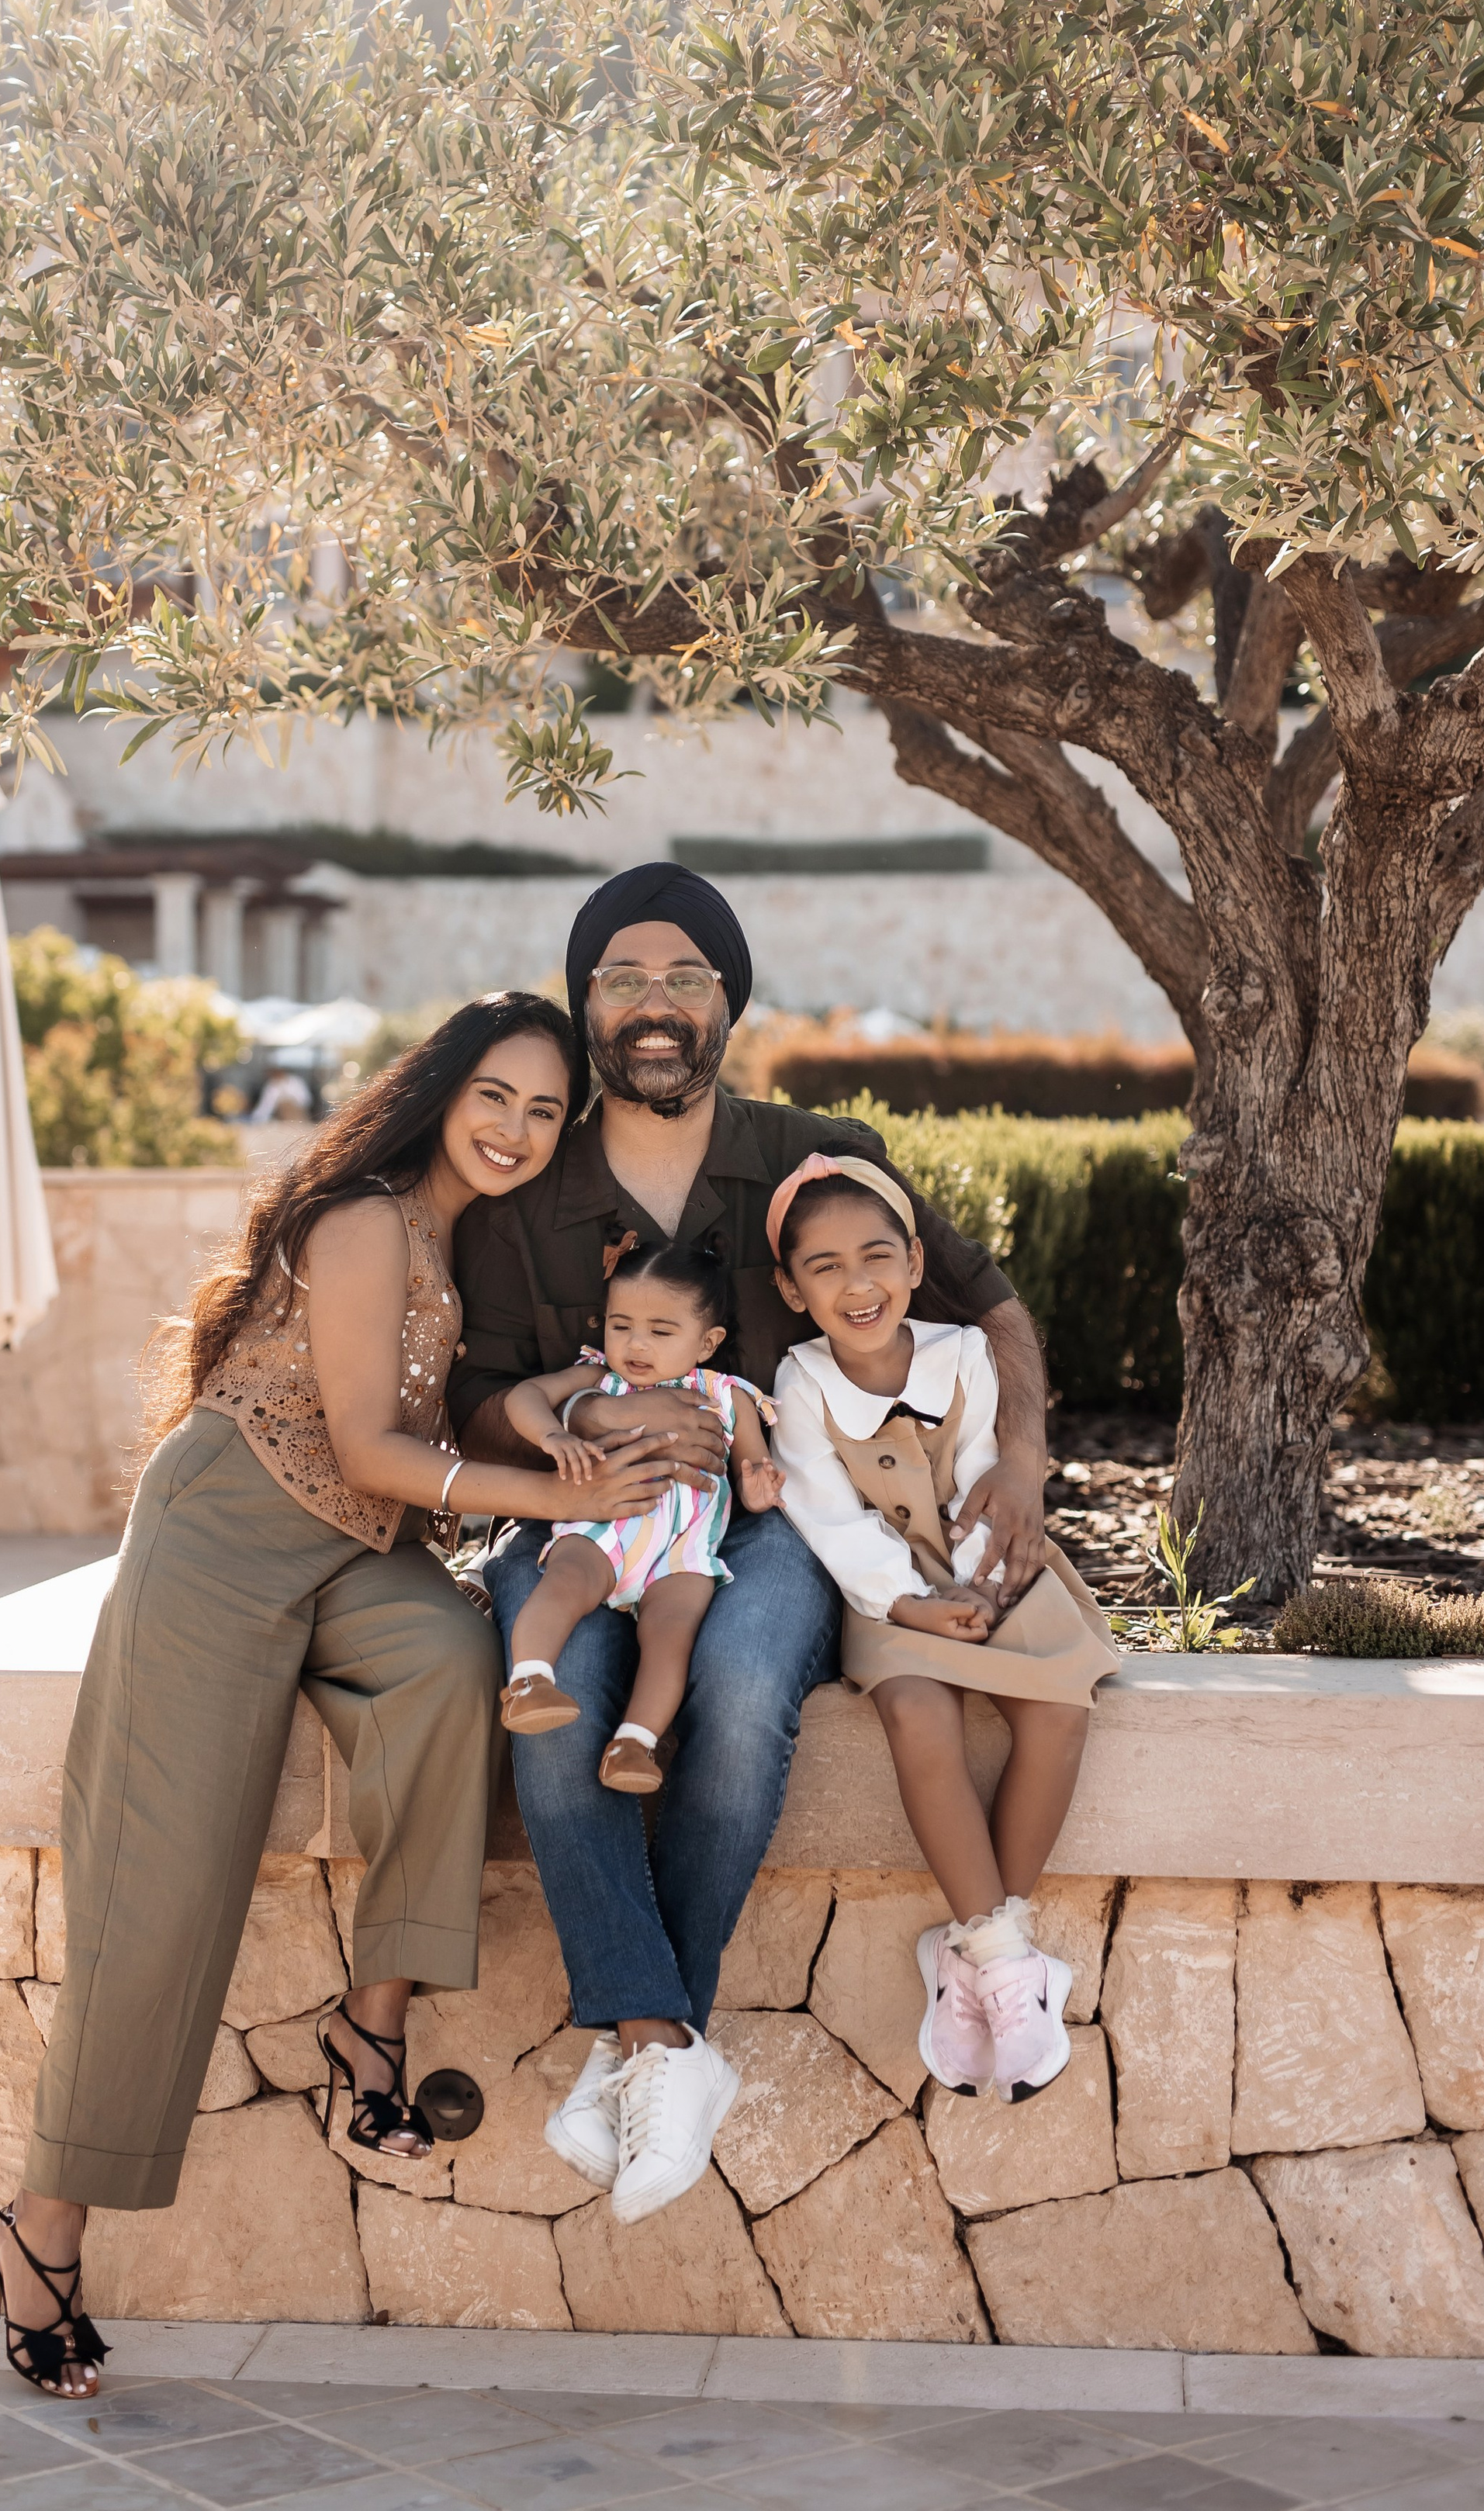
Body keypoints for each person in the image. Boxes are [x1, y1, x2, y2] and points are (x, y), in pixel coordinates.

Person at [0, 993, 669, 2397]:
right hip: (226, 1539)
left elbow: (449, 1413)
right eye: (498, 1096)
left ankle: (375, 2017)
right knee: (163, 1885)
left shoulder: (457, 1237)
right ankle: (41, 2225)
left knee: (450, 1667)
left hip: (353, 1559)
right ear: (439, 1088)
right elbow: (365, 1442)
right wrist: (558, 1490)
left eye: (545, 1111)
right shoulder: (363, 1219)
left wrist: (558, 1402)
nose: (518, 1131)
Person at [456, 861, 1051, 2220]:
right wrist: (585, 1419)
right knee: (551, 1713)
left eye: (685, 976)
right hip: (577, 1519)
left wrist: (1016, 1456)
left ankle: (640, 2041)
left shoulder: (812, 1155)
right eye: (623, 977)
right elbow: (467, 1405)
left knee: (735, 1689)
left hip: (773, 1520)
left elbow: (991, 1306)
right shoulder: (529, 1192)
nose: (654, 1003)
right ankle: (665, 2045)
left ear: (728, 999)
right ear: (586, 1002)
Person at [768, 1153, 1118, 2101]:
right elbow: (827, 1519)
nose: (857, 1284)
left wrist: (977, 1591)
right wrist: (913, 1603)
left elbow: (979, 1481)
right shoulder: (797, 1385)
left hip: (991, 1568)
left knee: (1058, 1707)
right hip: (888, 1594)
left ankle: (973, 1956)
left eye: (877, 1256)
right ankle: (1008, 1962)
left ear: (917, 1263)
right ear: (790, 1289)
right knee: (917, 1711)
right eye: (825, 1267)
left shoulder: (963, 1354)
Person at [498, 1231, 784, 1803]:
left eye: (661, 1330)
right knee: (566, 1581)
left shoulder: (728, 1396)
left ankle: (635, 1741)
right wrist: (554, 1432)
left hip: (681, 1552)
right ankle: (529, 1680)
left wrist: (756, 1491)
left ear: (708, 1341)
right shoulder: (599, 1378)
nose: (635, 1343)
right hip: (604, 1525)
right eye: (621, 1323)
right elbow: (522, 1397)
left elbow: (754, 1466)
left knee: (671, 1637)